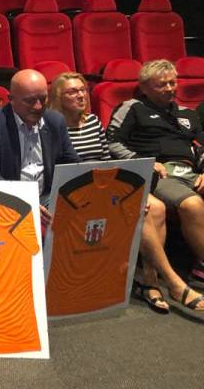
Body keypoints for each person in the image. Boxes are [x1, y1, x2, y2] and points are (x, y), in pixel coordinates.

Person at [49, 72, 187, 313]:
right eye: (72, 92)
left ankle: (149, 279)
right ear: (58, 97)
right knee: (141, 210)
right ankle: (171, 282)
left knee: (155, 207)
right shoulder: (52, 127)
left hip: (105, 183)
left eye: (82, 90)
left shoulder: (92, 121)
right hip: (75, 188)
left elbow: (106, 158)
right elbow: (58, 166)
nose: (81, 95)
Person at [106, 59, 204, 312]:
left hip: (192, 171)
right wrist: (144, 162)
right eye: (162, 85)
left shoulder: (186, 113)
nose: (170, 88)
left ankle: (196, 267)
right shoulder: (132, 108)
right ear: (144, 87)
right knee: (192, 204)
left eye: (173, 82)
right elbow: (112, 142)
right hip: (160, 174)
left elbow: (201, 146)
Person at [0, 69, 80, 223]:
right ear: (11, 99)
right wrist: (25, 202)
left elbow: (72, 164)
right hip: (9, 200)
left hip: (47, 197)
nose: (38, 106)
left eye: (43, 99)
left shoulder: (55, 121)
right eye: (30, 101)